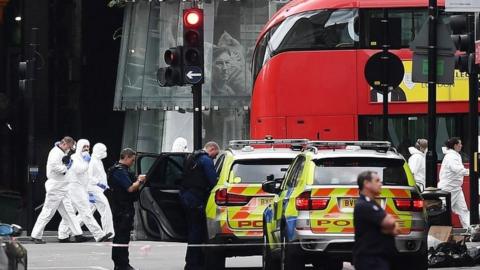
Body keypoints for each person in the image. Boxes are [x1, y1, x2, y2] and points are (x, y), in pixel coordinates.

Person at [30, 136, 89, 244]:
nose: (69, 150)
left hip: (62, 186)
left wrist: (67, 164)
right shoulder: (55, 153)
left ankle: (78, 234)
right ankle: (36, 235)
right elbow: (54, 168)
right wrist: (67, 166)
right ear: (65, 144)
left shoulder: (60, 151)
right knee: (48, 212)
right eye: (69, 147)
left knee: (69, 211)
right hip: (56, 187)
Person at [57, 139, 111, 242]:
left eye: (88, 147)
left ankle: (63, 234)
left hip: (79, 188)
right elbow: (79, 170)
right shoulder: (75, 158)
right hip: (74, 187)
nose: (86, 149)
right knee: (86, 212)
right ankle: (99, 235)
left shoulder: (84, 159)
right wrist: (87, 162)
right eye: (84, 146)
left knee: (70, 212)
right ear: (79, 147)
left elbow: (86, 177)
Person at [180, 141, 220, 270]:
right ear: (212, 149)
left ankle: (191, 262)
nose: (214, 157)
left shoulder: (191, 157)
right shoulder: (206, 160)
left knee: (192, 230)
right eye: (215, 154)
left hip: (186, 197)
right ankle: (194, 264)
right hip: (196, 199)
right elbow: (213, 181)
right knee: (197, 232)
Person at [108, 148, 147, 270]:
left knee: (122, 237)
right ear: (126, 157)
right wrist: (139, 181)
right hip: (122, 209)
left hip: (121, 207)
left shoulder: (118, 170)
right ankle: (122, 264)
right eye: (132, 160)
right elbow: (130, 188)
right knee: (122, 237)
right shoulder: (119, 171)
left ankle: (121, 263)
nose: (133, 163)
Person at [353, 171, 399, 270]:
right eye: (377, 181)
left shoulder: (373, 203)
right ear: (366, 183)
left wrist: (388, 227)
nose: (380, 184)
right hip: (370, 260)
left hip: (379, 259)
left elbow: (395, 229)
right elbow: (390, 223)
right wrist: (388, 225)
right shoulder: (364, 205)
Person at [438, 137, 470, 228]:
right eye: (460, 144)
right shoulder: (451, 156)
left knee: (463, 210)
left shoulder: (455, 155)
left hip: (455, 188)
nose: (461, 145)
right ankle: (439, 230)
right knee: (443, 211)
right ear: (455, 145)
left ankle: (469, 231)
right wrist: (470, 172)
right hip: (449, 189)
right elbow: (457, 169)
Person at [87, 142, 115, 238]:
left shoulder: (97, 160)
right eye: (103, 151)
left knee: (88, 212)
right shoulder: (92, 162)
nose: (105, 153)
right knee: (105, 207)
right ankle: (109, 232)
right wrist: (99, 183)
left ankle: (72, 230)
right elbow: (89, 176)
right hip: (94, 190)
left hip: (97, 189)